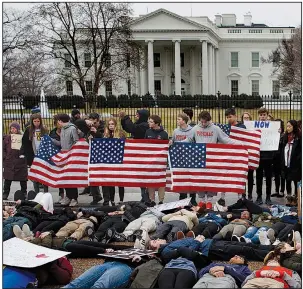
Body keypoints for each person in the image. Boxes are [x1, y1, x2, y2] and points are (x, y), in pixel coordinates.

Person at [184, 111, 241, 204]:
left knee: (211, 179)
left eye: (205, 122)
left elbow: (225, 139)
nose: (203, 123)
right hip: (199, 159)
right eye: (201, 121)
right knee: (200, 180)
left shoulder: (215, 129)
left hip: (212, 159)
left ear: (209, 120)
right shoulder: (195, 128)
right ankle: (202, 200)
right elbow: (189, 139)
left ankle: (210, 201)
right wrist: (176, 143)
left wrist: (240, 144)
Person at [119, 109, 151, 203]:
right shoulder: (139, 124)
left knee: (144, 177)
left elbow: (132, 128)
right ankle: (144, 196)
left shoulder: (144, 125)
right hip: (139, 154)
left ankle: (146, 197)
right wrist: (123, 119)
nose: (136, 116)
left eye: (138, 114)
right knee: (141, 177)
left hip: (144, 153)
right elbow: (128, 128)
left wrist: (126, 117)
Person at [75, 113, 104, 205]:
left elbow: (103, 138)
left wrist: (96, 132)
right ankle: (96, 195)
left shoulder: (102, 127)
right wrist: (85, 121)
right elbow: (77, 122)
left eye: (93, 120)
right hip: (90, 154)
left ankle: (102, 197)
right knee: (90, 176)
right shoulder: (88, 127)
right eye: (90, 119)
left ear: (97, 120)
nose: (92, 122)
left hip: (100, 155)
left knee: (97, 177)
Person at [52, 113, 79, 206]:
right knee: (65, 178)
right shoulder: (62, 129)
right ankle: (68, 196)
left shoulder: (72, 129)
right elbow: (62, 143)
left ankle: (74, 198)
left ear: (60, 121)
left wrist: (72, 152)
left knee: (71, 178)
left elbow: (76, 142)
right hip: (64, 156)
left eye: (58, 121)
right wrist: (52, 141)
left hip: (71, 156)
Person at [171, 113, 196, 205]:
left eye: (179, 119)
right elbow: (173, 142)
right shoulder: (175, 131)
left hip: (190, 157)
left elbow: (192, 141)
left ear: (184, 121)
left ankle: (193, 198)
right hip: (180, 158)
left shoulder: (192, 130)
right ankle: (182, 197)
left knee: (191, 178)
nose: (177, 121)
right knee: (181, 177)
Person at [145, 115, 169, 205]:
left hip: (160, 161)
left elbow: (166, 148)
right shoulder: (148, 132)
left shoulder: (164, 134)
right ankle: (152, 200)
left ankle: (161, 200)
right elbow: (145, 145)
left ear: (157, 123)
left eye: (151, 122)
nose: (149, 123)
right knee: (151, 180)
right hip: (150, 161)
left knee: (161, 180)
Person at [102, 117, 126, 206]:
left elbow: (125, 145)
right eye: (109, 124)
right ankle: (112, 200)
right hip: (109, 160)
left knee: (120, 181)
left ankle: (121, 199)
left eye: (112, 124)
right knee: (111, 181)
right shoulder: (105, 134)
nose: (111, 126)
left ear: (115, 124)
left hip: (119, 160)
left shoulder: (121, 133)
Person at [22, 113, 49, 194]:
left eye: (38, 121)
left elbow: (48, 141)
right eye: (35, 121)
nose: (37, 123)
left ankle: (45, 192)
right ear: (32, 121)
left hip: (43, 155)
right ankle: (36, 192)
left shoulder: (44, 129)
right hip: (33, 154)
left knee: (44, 174)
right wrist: (28, 156)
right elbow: (25, 143)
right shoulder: (28, 130)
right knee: (35, 175)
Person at [3, 122, 28, 200]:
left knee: (23, 178)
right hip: (9, 161)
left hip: (20, 161)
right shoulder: (7, 138)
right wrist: (5, 157)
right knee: (7, 179)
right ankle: (5, 193)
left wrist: (23, 156)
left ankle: (24, 193)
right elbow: (3, 148)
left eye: (14, 128)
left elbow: (26, 147)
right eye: (11, 128)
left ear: (18, 129)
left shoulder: (22, 137)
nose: (13, 130)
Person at [255, 108, 275, 205]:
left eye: (264, 115)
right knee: (258, 177)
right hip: (258, 155)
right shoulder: (255, 126)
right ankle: (259, 196)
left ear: (267, 115)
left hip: (269, 156)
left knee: (268, 177)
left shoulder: (272, 126)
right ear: (258, 116)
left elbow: (277, 134)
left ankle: (268, 196)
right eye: (261, 115)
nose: (262, 117)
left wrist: (278, 130)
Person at [281, 120, 302, 197]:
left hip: (295, 163)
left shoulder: (299, 137)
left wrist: (298, 160)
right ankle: (289, 195)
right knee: (288, 179)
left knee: (296, 180)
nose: (288, 128)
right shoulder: (285, 136)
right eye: (287, 126)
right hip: (286, 162)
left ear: (294, 127)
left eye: (289, 126)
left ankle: (297, 196)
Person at [49, 115, 65, 203]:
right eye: (57, 122)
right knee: (59, 177)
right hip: (57, 157)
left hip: (66, 156)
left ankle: (70, 196)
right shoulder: (52, 132)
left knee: (66, 177)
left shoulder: (66, 131)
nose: (59, 124)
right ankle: (61, 194)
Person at [241, 112, 254, 201]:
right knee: (242, 177)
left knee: (250, 176)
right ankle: (243, 194)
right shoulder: (240, 128)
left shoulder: (253, 128)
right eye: (244, 118)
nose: (246, 119)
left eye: (247, 118)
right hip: (242, 154)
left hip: (251, 154)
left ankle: (250, 194)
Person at [271, 119, 286, 198]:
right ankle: (276, 190)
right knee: (276, 174)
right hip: (275, 156)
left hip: (282, 157)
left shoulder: (283, 135)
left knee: (282, 174)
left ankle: (282, 191)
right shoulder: (273, 134)